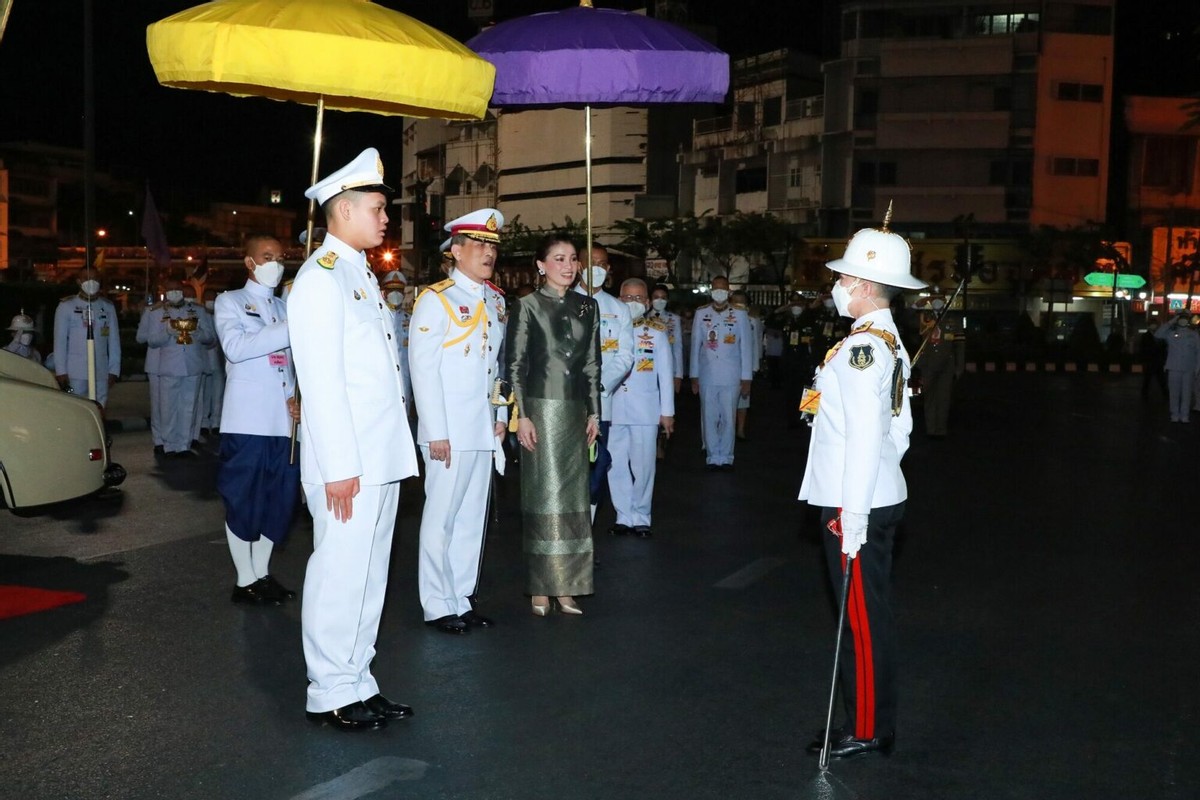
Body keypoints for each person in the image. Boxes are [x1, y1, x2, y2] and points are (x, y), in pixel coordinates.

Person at [288, 147, 419, 731]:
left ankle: (357, 680)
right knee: (339, 575)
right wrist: (340, 465)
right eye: (377, 207)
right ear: (341, 211)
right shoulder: (319, 281)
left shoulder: (358, 274)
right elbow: (320, 384)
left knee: (369, 577)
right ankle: (329, 690)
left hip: (379, 455)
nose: (385, 218)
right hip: (348, 464)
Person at [798, 214, 927, 760]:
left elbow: (866, 435)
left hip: (857, 500)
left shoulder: (861, 349)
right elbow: (900, 430)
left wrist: (851, 518)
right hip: (879, 492)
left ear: (865, 286)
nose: (836, 286)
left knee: (862, 621)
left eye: (844, 279)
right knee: (865, 613)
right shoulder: (885, 341)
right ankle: (872, 719)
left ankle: (870, 728)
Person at [409, 208, 508, 635]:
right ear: (456, 251)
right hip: (448, 429)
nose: (488, 253)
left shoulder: (497, 300)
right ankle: (436, 603)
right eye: (480, 245)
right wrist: (436, 432)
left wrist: (501, 414)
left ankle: (462, 596)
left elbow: (495, 367)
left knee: (472, 519)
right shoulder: (438, 298)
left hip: (482, 427)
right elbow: (422, 369)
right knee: (442, 518)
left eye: (492, 246)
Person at [504, 233, 601, 616]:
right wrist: (522, 415)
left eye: (573, 258)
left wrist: (594, 412)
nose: (568, 265)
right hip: (540, 411)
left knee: (574, 498)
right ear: (541, 266)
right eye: (558, 258)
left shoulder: (587, 307)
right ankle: (541, 587)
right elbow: (515, 365)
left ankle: (569, 586)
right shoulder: (526, 306)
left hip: (576, 412)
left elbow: (593, 364)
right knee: (543, 497)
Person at [214, 234, 301, 605]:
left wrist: (298, 395)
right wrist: (293, 325)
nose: (276, 264)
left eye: (280, 258)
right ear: (249, 262)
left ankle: (262, 573)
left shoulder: (285, 308)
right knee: (243, 498)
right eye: (267, 257)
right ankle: (244, 579)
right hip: (247, 420)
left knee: (279, 501)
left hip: (283, 422)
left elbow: (293, 363)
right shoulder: (230, 302)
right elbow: (236, 348)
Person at [608, 278, 674, 538]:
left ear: (647, 303)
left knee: (644, 465)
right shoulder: (607, 329)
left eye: (638, 298)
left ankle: (641, 515)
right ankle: (623, 515)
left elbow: (666, 375)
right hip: (613, 408)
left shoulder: (656, 332)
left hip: (645, 410)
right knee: (615, 464)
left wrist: (667, 412)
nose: (632, 303)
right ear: (618, 300)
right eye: (627, 298)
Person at [578, 244, 634, 523]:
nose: (597, 269)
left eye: (602, 264)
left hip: (601, 405)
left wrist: (598, 386)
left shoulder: (618, 308)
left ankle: (584, 536)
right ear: (579, 265)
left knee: (595, 469)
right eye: (591, 262)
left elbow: (625, 356)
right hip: (566, 401)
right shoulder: (561, 302)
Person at [143, 279, 216, 457]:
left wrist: (198, 332)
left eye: (177, 289)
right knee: (168, 407)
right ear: (165, 292)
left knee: (189, 406)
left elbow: (211, 338)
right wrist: (166, 332)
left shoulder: (197, 311)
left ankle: (184, 445)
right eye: (170, 289)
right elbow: (151, 341)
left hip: (192, 365)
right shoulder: (156, 313)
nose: (174, 292)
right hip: (169, 366)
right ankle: (168, 445)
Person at [690, 275, 752, 470]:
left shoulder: (740, 314)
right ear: (710, 290)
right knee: (709, 416)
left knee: (728, 416)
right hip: (707, 373)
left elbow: (746, 348)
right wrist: (693, 375)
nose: (719, 292)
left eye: (723, 288)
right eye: (715, 288)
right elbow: (695, 346)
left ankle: (726, 456)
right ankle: (712, 455)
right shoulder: (701, 313)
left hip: (731, 375)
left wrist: (746, 378)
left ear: (729, 291)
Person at [53, 275, 121, 407]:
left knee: (100, 408)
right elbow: (60, 341)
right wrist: (61, 371)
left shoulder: (107, 306)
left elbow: (114, 341)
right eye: (86, 278)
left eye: (95, 278)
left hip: (101, 370)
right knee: (77, 408)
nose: (92, 281)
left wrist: (114, 369)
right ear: (79, 281)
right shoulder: (67, 306)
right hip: (75, 372)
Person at [912, 293, 965, 438]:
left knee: (944, 398)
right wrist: (921, 302)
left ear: (944, 302)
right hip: (928, 364)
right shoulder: (925, 319)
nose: (936, 302)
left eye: (939, 299)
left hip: (947, 365)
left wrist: (959, 367)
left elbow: (960, 345)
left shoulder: (952, 321)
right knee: (929, 397)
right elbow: (908, 318)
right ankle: (931, 429)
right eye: (933, 299)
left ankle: (941, 430)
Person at [1154, 312, 1200, 423]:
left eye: (1185, 319)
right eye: (1181, 318)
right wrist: (1172, 321)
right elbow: (1158, 334)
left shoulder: (1194, 334)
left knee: (1187, 393)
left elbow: (1198, 352)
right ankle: (1174, 414)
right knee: (1174, 393)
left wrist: (1198, 367)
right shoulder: (1171, 333)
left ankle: (1185, 415)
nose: (1183, 321)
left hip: (1189, 367)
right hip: (1174, 367)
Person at [730, 290, 762, 441]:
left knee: (743, 401)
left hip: (745, 368)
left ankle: (740, 429)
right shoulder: (726, 320)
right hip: (728, 367)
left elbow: (756, 345)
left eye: (741, 302)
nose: (738, 305)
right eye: (735, 301)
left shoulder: (752, 322)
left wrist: (754, 367)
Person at [380, 269, 414, 409]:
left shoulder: (411, 319)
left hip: (405, 379)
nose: (395, 294)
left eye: (399, 290)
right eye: (391, 290)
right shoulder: (378, 318)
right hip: (383, 379)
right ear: (384, 292)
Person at [647, 284, 684, 394]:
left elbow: (677, 347)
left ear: (667, 300)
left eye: (663, 298)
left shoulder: (674, 319)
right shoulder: (643, 318)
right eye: (656, 297)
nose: (660, 300)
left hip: (668, 368)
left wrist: (678, 375)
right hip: (647, 367)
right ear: (650, 299)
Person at [200, 289, 225, 438]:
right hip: (204, 361)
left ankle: (216, 422)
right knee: (204, 393)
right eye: (208, 298)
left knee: (218, 394)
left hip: (219, 362)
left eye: (213, 298)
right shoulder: (200, 314)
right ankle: (203, 422)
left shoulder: (222, 314)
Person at [1138, 320, 1167, 398]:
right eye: (1152, 325)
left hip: (1158, 360)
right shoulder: (1145, 336)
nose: (1154, 326)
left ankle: (1165, 394)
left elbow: (1164, 348)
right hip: (1149, 360)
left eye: (1155, 325)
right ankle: (1144, 393)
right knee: (1147, 378)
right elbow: (1142, 348)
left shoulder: (1161, 335)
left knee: (1161, 379)